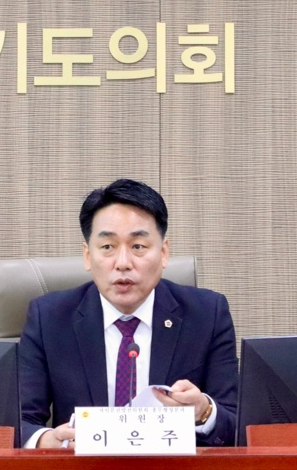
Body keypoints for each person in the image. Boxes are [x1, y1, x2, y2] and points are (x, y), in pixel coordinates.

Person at [18, 178, 238, 448]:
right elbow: (18, 421)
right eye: (107, 247)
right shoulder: (49, 318)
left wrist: (204, 412)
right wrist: (49, 441)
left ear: (163, 253)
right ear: (87, 256)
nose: (123, 263)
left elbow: (238, 425)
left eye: (138, 247)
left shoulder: (207, 314)